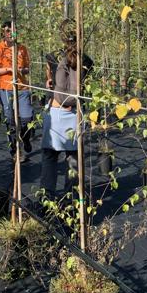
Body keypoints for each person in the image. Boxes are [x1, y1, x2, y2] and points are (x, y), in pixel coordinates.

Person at [40, 21, 93, 199]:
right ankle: (70, 201)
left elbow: (50, 84)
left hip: (55, 113)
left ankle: (47, 199)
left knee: (49, 157)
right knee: (73, 159)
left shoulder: (52, 57)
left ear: (61, 37)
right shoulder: (87, 61)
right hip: (74, 114)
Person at [0, 21, 33, 161]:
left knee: (27, 118)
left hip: (22, 88)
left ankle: (26, 139)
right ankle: (15, 150)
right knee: (10, 121)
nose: (10, 33)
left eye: (13, 31)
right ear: (3, 32)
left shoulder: (22, 49)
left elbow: (27, 68)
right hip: (5, 89)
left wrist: (21, 70)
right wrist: (9, 69)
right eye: (7, 31)